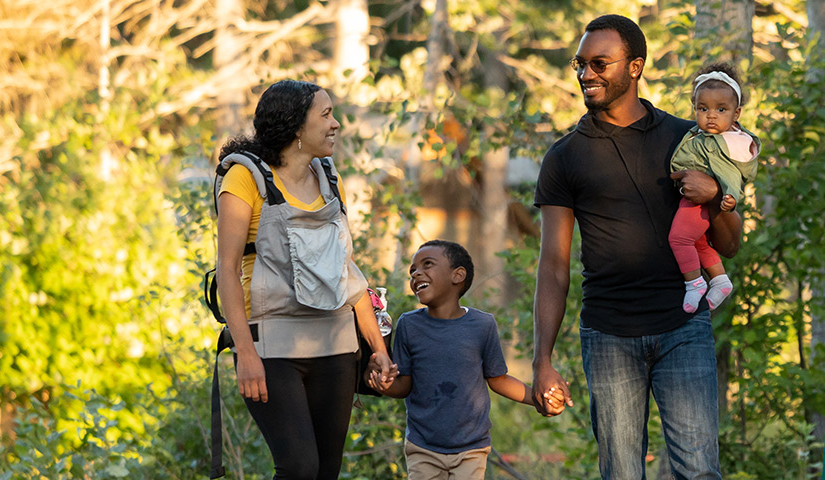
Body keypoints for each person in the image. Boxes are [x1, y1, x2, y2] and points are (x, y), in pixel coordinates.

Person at [528, 14, 742, 480]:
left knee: (699, 472)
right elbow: (554, 268)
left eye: (600, 63)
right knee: (622, 474)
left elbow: (732, 243)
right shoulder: (565, 157)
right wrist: (542, 361)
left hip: (683, 328)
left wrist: (716, 198)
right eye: (580, 64)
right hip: (608, 337)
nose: (587, 74)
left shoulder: (689, 140)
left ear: (635, 66)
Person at [212, 79, 395, 480]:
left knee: (325, 472)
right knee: (298, 468)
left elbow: (346, 270)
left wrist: (377, 348)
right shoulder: (245, 179)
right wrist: (245, 351)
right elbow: (227, 268)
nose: (336, 124)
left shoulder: (331, 178)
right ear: (296, 126)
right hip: (271, 343)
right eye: (326, 115)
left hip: (336, 342)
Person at [368, 240, 566, 480]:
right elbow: (404, 384)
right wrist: (386, 385)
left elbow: (498, 379)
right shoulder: (409, 324)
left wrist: (537, 399)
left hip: (471, 449)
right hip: (423, 447)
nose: (416, 273)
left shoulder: (482, 325)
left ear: (458, 275)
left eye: (427, 264)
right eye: (412, 271)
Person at [667, 62, 757, 313]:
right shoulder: (701, 134)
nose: (711, 115)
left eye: (721, 109)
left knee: (679, 238)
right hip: (695, 198)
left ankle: (695, 283)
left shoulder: (725, 143)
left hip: (697, 201)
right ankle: (719, 280)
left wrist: (727, 196)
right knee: (698, 243)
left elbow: (729, 174)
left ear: (736, 114)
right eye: (703, 108)